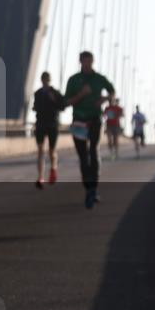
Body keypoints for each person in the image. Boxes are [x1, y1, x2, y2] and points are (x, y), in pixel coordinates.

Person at [63, 51, 116, 209]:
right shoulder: (73, 80)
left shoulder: (99, 78)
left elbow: (112, 91)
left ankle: (93, 188)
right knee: (83, 156)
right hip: (79, 121)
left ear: (92, 62)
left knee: (93, 151)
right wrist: (81, 95)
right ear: (80, 62)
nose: (87, 64)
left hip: (95, 119)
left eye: (89, 62)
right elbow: (67, 102)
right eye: (84, 61)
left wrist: (105, 99)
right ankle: (88, 188)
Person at [32, 71, 65, 189]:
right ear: (41, 80)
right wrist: (35, 108)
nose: (45, 81)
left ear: (49, 80)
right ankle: (40, 177)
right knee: (40, 150)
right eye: (44, 79)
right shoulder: (37, 93)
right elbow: (35, 106)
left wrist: (54, 100)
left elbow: (62, 107)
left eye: (47, 79)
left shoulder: (56, 93)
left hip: (52, 124)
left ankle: (53, 169)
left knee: (51, 151)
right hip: (40, 124)